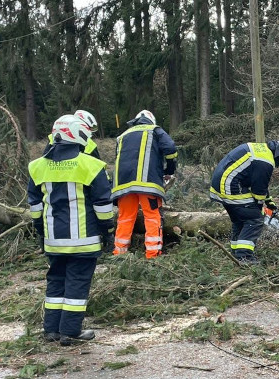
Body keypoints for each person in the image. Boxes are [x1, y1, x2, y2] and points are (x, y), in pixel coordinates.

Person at [27, 114, 115, 345]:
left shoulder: (37, 166)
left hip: (53, 239)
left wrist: (40, 230)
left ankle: (51, 330)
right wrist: (108, 231)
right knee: (77, 283)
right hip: (84, 240)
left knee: (55, 281)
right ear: (79, 135)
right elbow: (103, 205)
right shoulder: (92, 166)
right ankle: (70, 332)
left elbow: (35, 206)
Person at [209, 138, 279, 264]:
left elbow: (260, 185)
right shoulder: (266, 162)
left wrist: (269, 203)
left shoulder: (263, 152)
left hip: (221, 185)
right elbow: (258, 192)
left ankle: (236, 252)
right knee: (254, 219)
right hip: (229, 186)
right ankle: (244, 257)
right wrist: (260, 211)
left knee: (240, 219)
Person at [111, 110, 177, 259]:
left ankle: (119, 253)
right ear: (151, 121)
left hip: (123, 185)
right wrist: (170, 169)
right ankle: (153, 253)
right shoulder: (154, 130)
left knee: (125, 217)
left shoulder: (122, 136)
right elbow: (171, 149)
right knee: (152, 216)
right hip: (147, 184)